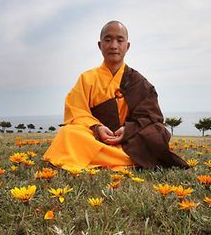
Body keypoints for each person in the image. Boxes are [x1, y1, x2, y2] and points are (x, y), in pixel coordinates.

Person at [43, 21, 188, 170]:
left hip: (129, 140)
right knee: (68, 133)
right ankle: (128, 161)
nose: (113, 45)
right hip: (95, 138)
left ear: (127, 46)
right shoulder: (86, 78)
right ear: (100, 45)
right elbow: (76, 111)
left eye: (119, 40)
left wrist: (128, 130)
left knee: (158, 132)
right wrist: (97, 127)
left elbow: (152, 117)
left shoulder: (140, 82)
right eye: (108, 39)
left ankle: (98, 158)